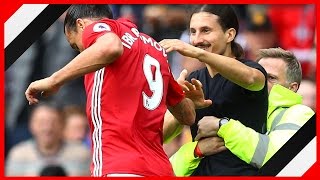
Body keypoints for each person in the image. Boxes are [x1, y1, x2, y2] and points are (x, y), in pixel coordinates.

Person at [25, 5, 196, 177]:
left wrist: (54, 80)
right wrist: (192, 100)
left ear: (82, 25)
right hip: (160, 170)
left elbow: (110, 47)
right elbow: (187, 116)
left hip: (118, 167)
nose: (83, 53)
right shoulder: (155, 50)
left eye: (76, 46)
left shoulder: (105, 28)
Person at [170, 47, 315, 176]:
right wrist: (197, 151)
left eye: (270, 78)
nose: (263, 83)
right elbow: (169, 170)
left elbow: (280, 159)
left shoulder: (301, 114)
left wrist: (223, 126)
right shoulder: (233, 108)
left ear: (292, 87)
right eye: (261, 76)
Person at [160, 4, 268, 176]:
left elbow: (251, 79)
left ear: (230, 34)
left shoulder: (251, 69)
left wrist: (196, 53)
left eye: (206, 30)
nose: (196, 40)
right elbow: (161, 136)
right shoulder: (193, 80)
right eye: (193, 32)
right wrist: (180, 104)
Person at [5, 102, 91, 176]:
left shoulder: (81, 154)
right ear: (31, 125)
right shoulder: (18, 155)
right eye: (41, 122)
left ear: (62, 124)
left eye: (53, 122)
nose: (47, 128)